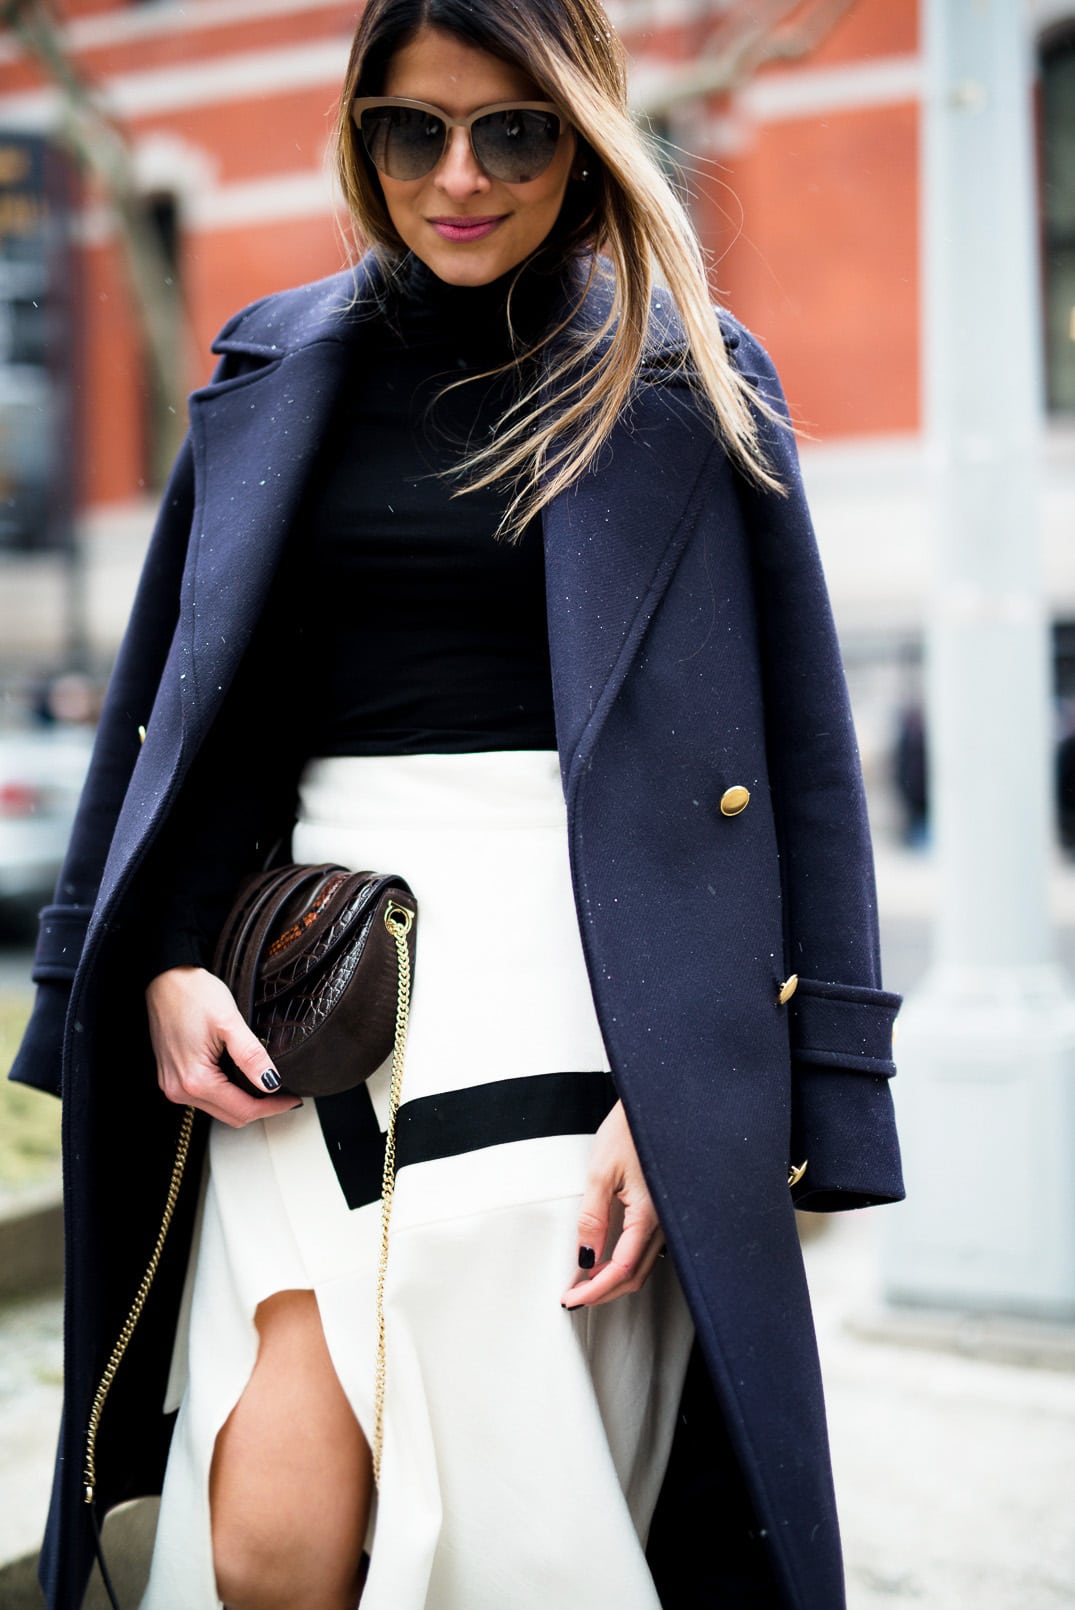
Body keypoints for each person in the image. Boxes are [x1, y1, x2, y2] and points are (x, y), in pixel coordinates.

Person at [8, 2, 905, 1607]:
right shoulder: (277, 369)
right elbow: (190, 724)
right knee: (271, 1541)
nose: (461, 176)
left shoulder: (687, 370)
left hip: (600, 987)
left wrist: (728, 1087)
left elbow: (808, 769)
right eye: (414, 130)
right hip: (318, 978)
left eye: (514, 128)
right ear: (362, 138)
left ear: (585, 129)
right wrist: (147, 965)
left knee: (522, 1522)